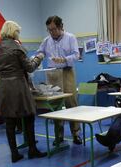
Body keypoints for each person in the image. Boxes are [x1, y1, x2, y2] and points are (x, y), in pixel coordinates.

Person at [0, 20, 47, 163]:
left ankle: (14, 154)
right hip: (19, 86)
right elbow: (30, 68)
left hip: (5, 87)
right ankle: (32, 150)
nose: (18, 34)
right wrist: (38, 58)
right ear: (13, 32)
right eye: (18, 31)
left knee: (9, 122)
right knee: (29, 117)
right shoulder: (17, 47)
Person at [36, 15, 82, 145]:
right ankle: (59, 135)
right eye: (49, 30)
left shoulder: (70, 37)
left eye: (54, 29)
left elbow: (77, 55)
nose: (52, 32)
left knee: (71, 103)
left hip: (67, 71)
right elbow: (40, 52)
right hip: (52, 73)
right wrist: (38, 57)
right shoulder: (46, 40)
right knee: (55, 105)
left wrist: (65, 59)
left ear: (61, 26)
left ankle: (76, 133)